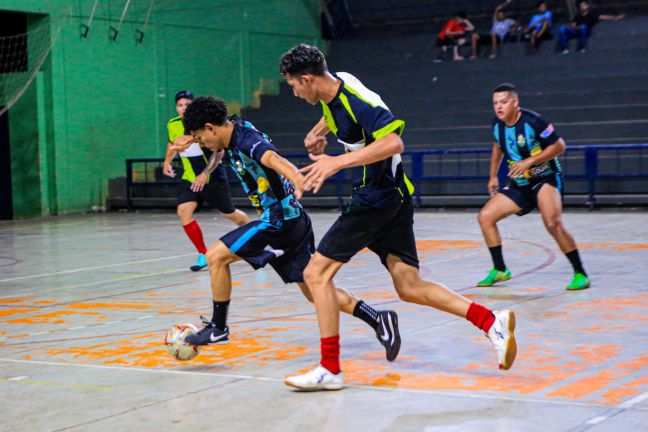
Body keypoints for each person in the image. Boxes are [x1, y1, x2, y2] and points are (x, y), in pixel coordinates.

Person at [279, 44, 518, 391]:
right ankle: (491, 321)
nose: (295, 92)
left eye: (294, 86)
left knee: (314, 273)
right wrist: (320, 133)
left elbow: (393, 143)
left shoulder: (357, 102)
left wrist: (335, 162)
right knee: (409, 286)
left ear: (307, 79)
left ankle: (330, 368)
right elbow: (339, 113)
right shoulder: (338, 82)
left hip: (375, 196)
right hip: (394, 195)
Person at [175, 96, 402, 362]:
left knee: (215, 256)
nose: (202, 143)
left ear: (212, 128)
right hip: (295, 220)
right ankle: (378, 319)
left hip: (278, 221)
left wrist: (295, 176)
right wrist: (192, 137)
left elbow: (270, 157)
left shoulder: (247, 141)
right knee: (314, 292)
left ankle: (218, 327)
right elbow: (220, 141)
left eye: (202, 138)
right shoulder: (233, 130)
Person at [476, 83, 590, 291]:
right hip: (521, 184)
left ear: (515, 102)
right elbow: (498, 147)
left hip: (545, 178)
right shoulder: (497, 125)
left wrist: (529, 161)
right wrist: (493, 176)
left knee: (552, 223)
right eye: (495, 103)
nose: (499, 107)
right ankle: (500, 269)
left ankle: (580, 272)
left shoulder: (534, 121)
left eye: (503, 102)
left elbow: (560, 146)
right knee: (485, 217)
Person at [163, 90, 249, 271]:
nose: (183, 108)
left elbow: (219, 152)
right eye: (180, 105)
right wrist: (167, 162)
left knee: (230, 214)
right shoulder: (172, 124)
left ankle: (254, 241)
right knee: (183, 211)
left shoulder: (205, 125)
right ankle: (203, 253)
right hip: (189, 178)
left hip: (211, 177)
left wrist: (204, 174)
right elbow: (172, 145)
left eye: (187, 104)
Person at [559, 0, 625, 54]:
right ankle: (565, 48)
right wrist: (576, 28)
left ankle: (582, 47)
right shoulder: (577, 16)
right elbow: (573, 25)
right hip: (577, 31)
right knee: (562, 28)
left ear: (587, 6)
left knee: (583, 27)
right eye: (581, 5)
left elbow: (603, 16)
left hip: (585, 31)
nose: (583, 6)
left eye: (584, 5)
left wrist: (616, 17)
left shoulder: (592, 15)